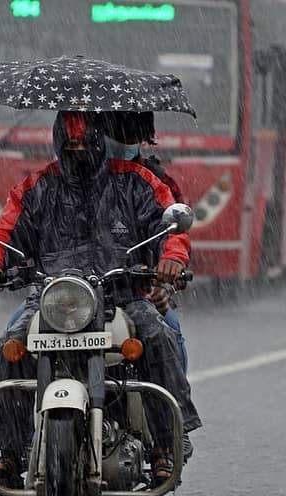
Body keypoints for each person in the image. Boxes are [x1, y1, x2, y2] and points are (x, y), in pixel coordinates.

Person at [0, 110, 201, 487]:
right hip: (53, 298)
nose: (77, 149)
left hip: (122, 295)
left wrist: (171, 259)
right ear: (58, 141)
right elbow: (5, 231)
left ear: (99, 139)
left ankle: (166, 444)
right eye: (70, 142)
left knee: (159, 339)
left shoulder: (136, 182)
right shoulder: (37, 187)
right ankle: (11, 452)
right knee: (9, 346)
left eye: (85, 141)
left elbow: (167, 228)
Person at [99, 110, 188, 372]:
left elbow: (174, 235)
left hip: (137, 293)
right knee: (13, 337)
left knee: (169, 335)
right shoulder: (62, 181)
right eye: (116, 132)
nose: (124, 140)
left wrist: (167, 276)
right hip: (69, 299)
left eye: (132, 133)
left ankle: (175, 411)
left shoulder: (157, 182)